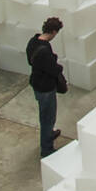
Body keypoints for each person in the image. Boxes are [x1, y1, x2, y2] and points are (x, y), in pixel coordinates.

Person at [26, 17, 67, 157]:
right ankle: (47, 148)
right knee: (47, 118)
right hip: (46, 88)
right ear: (54, 31)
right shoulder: (45, 50)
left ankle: (49, 134)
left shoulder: (33, 42)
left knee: (46, 115)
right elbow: (53, 69)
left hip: (36, 83)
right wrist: (58, 65)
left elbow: (30, 61)